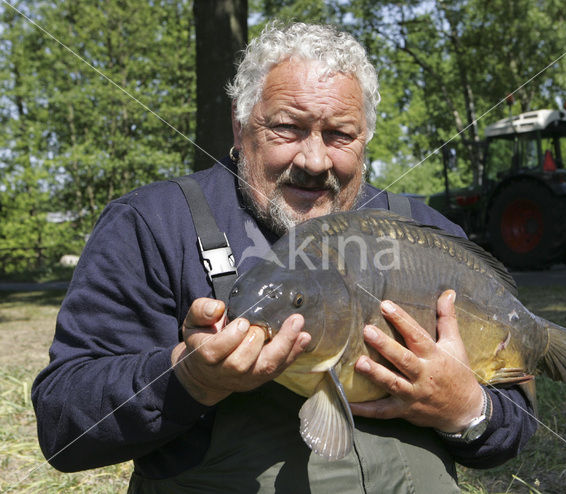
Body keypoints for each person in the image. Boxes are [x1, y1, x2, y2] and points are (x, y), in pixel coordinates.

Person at [32, 22, 536, 493]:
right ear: (239, 125)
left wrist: (465, 408)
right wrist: (187, 377)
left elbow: (514, 424)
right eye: (288, 128)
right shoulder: (153, 225)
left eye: (340, 135)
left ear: (365, 140)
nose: (315, 161)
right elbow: (63, 424)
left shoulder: (428, 234)